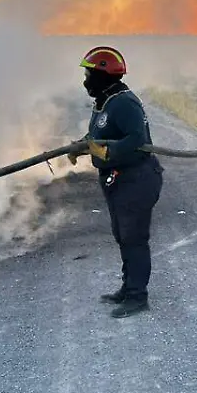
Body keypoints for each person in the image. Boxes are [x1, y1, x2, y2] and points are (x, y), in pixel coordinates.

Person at [68, 46, 163, 318]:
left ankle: (137, 296)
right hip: (118, 181)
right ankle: (128, 287)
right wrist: (82, 145)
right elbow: (97, 134)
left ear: (104, 75)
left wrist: (109, 152)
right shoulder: (104, 102)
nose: (85, 80)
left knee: (134, 238)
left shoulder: (124, 103)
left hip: (137, 180)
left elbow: (138, 140)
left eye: (89, 74)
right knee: (123, 236)